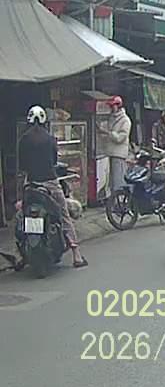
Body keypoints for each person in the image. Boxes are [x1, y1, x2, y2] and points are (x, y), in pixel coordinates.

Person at [19, 106, 88, 267]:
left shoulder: (23, 139)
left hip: (31, 183)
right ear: (44, 120)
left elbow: (22, 166)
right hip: (50, 183)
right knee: (63, 215)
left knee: (21, 214)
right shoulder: (50, 139)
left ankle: (21, 253)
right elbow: (54, 160)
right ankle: (77, 255)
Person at [98, 96, 133, 194]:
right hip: (109, 153)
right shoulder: (112, 118)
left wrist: (108, 133)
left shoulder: (125, 120)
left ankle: (120, 199)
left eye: (112, 106)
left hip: (119, 155)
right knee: (111, 182)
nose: (111, 109)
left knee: (118, 181)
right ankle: (113, 199)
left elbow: (120, 138)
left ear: (118, 106)